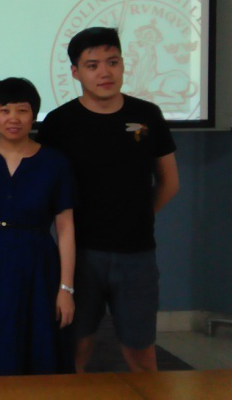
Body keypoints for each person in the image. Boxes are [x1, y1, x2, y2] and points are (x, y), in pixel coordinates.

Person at [37, 27, 179, 374]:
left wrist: (140, 215)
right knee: (76, 346)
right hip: (81, 256)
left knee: (140, 350)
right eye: (93, 65)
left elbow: (169, 182)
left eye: (113, 62)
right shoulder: (59, 123)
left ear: (123, 65)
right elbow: (47, 189)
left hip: (137, 254)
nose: (105, 72)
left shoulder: (147, 115)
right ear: (75, 72)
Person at [0, 77, 76, 375]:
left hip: (35, 260)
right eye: (4, 110)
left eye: (22, 110)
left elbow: (65, 229)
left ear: (33, 115)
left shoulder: (55, 162)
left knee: (34, 337)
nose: (13, 118)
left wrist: (66, 288)